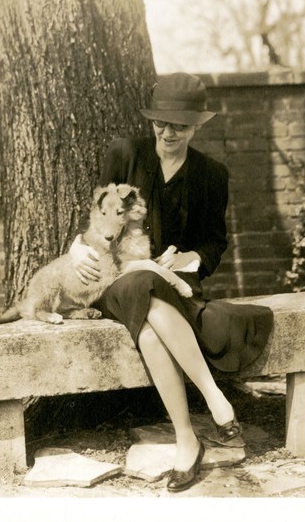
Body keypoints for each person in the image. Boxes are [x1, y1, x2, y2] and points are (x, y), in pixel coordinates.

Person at [69, 72, 244, 492]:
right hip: (117, 277)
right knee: (139, 282)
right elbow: (99, 213)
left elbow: (214, 242)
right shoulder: (124, 154)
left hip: (175, 283)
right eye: (160, 123)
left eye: (180, 125)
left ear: (197, 125)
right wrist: (77, 247)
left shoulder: (211, 174)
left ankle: (187, 440)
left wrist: (192, 257)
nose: (168, 132)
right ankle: (214, 397)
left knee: (148, 329)